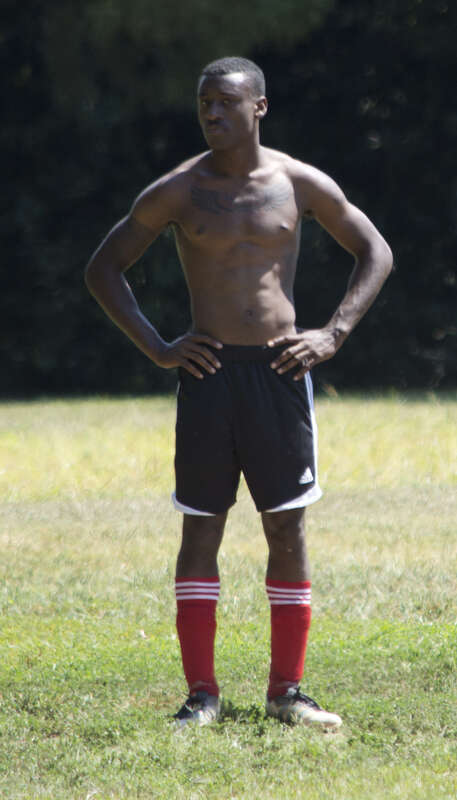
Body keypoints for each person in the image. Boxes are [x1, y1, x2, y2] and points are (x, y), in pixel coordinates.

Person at [85, 56, 392, 730]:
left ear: (259, 107)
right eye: (203, 106)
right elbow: (103, 268)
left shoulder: (297, 182)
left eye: (224, 103)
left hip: (281, 375)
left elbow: (374, 250)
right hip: (207, 376)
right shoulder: (177, 191)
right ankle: (202, 696)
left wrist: (332, 334)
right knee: (202, 528)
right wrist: (160, 347)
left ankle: (287, 692)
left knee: (285, 525)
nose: (212, 115)